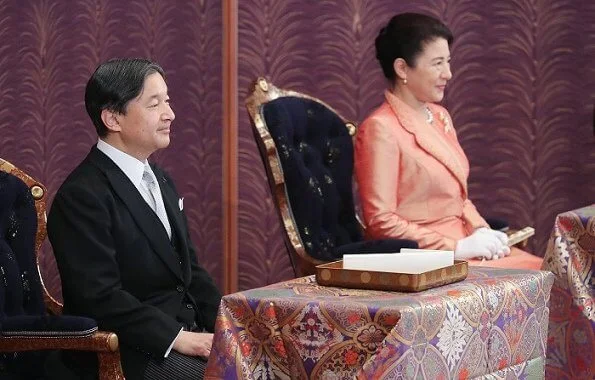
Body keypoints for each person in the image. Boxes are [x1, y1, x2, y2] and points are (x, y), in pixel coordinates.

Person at [47, 58, 222, 379]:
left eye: (167, 101)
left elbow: (190, 271)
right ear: (112, 118)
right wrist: (179, 339)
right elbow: (98, 297)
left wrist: (230, 326)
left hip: (188, 333)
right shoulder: (82, 195)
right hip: (130, 349)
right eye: (154, 104)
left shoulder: (161, 178)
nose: (170, 113)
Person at [354, 13, 542, 269]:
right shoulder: (380, 128)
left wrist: (480, 229)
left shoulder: (440, 116)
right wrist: (455, 248)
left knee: (555, 277)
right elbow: (381, 220)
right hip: (428, 262)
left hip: (466, 245)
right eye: (437, 63)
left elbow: (458, 198)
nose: (449, 73)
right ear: (402, 68)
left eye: (448, 62)